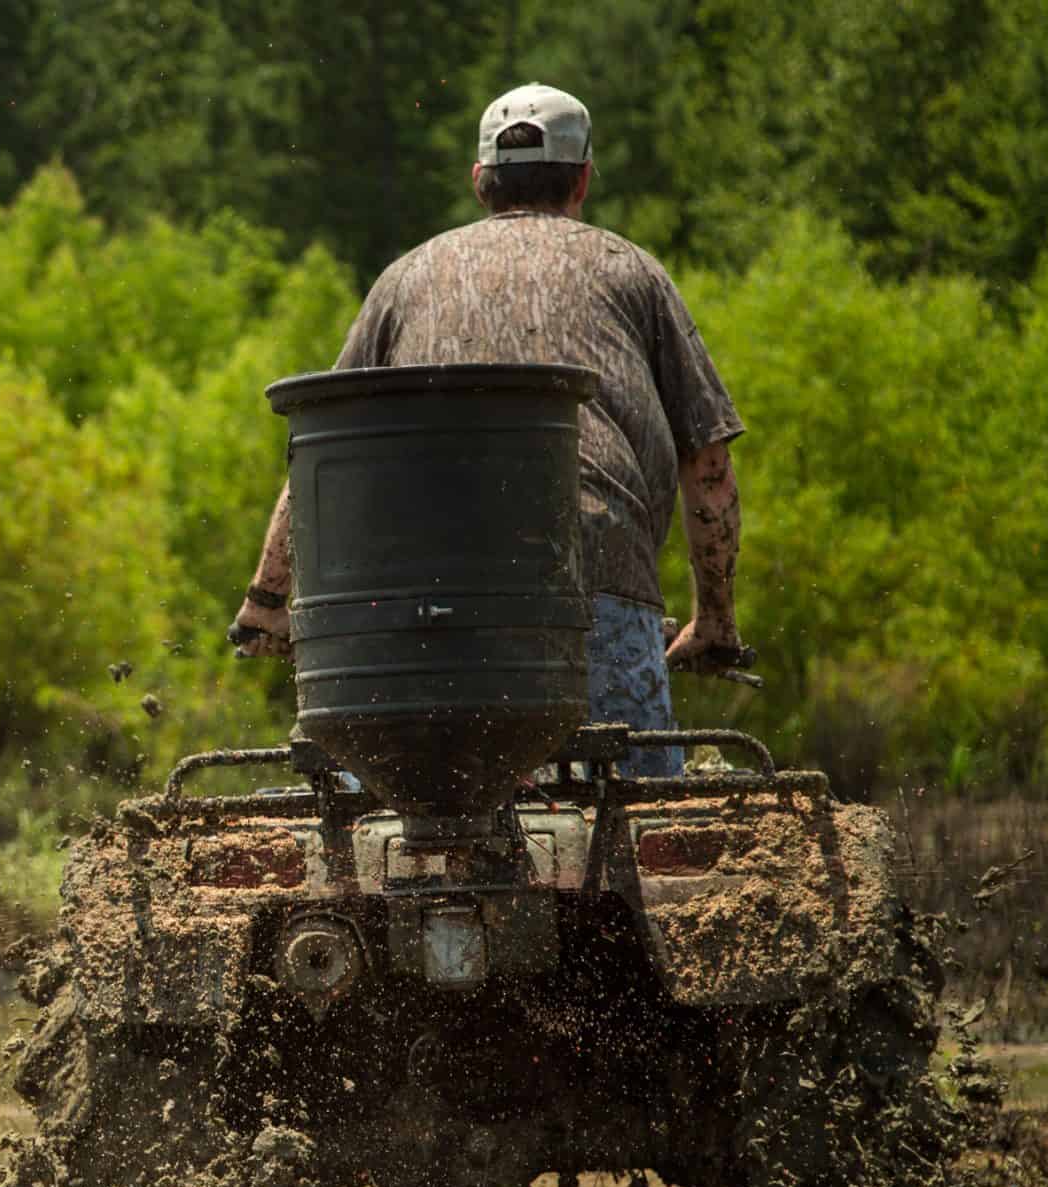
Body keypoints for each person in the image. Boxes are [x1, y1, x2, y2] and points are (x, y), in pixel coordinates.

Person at [226, 84, 745, 777]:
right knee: (639, 827)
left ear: (479, 182)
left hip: (411, 598)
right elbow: (707, 465)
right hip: (590, 580)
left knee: (381, 802)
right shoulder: (634, 274)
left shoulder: (403, 280)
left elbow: (324, 453)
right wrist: (714, 620)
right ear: (584, 178)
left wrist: (267, 601)